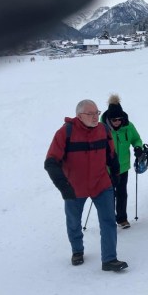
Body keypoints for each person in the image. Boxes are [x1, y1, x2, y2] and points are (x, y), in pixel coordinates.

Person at [44, 99, 128, 272]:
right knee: (74, 221)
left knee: (108, 221)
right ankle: (77, 251)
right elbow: (51, 162)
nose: (95, 117)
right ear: (79, 116)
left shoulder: (103, 129)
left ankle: (109, 259)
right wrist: (64, 187)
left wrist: (115, 175)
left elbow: (111, 155)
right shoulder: (65, 133)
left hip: (101, 184)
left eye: (97, 113)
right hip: (75, 187)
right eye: (90, 114)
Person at [100, 94, 144, 229]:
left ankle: (122, 219)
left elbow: (136, 139)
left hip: (123, 167)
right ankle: (109, 220)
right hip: (107, 168)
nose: (118, 122)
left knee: (122, 193)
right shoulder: (101, 129)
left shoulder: (128, 126)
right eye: (114, 119)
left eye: (120, 119)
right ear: (109, 119)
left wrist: (138, 147)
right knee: (109, 195)